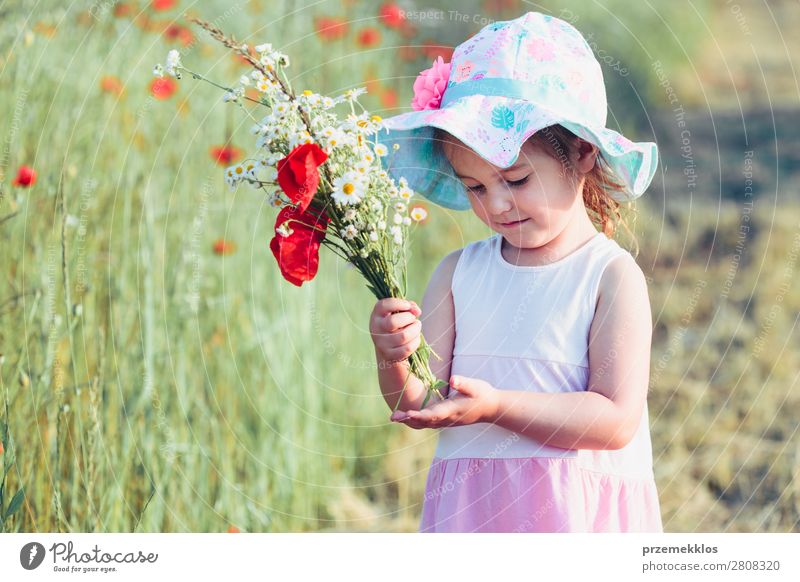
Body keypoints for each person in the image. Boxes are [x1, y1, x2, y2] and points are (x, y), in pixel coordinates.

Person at [369, 11, 663, 532]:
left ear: (583, 151)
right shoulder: (457, 273)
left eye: (518, 179)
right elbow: (419, 401)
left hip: (570, 514)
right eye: (475, 188)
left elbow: (615, 421)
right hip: (474, 509)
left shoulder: (609, 277)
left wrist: (498, 407)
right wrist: (392, 356)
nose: (498, 205)